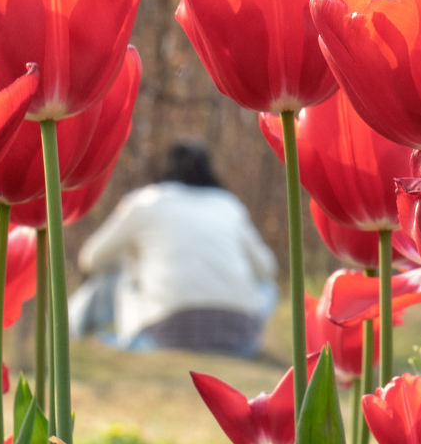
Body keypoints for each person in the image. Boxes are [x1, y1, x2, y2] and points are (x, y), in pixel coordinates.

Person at [74, 142, 278, 356]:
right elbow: (268, 270)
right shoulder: (229, 205)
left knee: (126, 263)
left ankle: (77, 330)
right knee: (268, 287)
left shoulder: (146, 202)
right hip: (241, 338)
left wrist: (134, 258)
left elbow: (90, 258)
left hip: (166, 334)